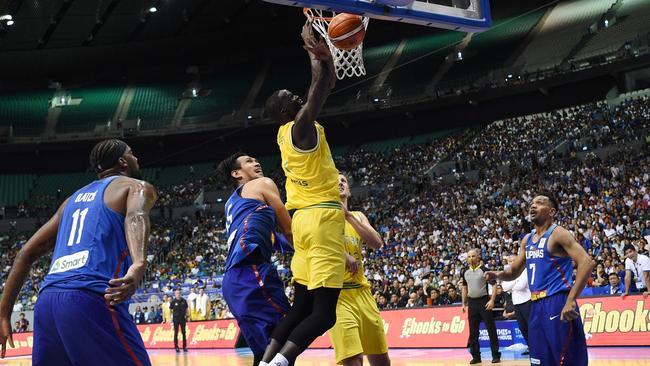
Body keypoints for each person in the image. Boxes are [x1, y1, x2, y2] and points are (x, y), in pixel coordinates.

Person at [0, 139, 155, 365]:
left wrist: (4, 313)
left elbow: (26, 253)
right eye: (132, 153)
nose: (136, 158)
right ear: (122, 161)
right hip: (90, 297)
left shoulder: (70, 201)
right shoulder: (135, 186)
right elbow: (136, 216)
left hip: (47, 304)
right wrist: (139, 264)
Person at [260, 19, 343, 366]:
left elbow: (320, 82)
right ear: (283, 112)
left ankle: (265, 362)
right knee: (324, 315)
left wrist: (315, 54)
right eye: (289, 99)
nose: (295, 98)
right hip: (322, 220)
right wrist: (319, 57)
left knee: (302, 307)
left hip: (303, 223)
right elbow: (323, 84)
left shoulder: (284, 136)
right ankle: (282, 363)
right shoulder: (300, 129)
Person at [485, 193, 593, 366]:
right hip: (535, 304)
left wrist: (571, 300)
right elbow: (513, 271)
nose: (533, 206)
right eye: (532, 203)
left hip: (557, 301)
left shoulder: (558, 233)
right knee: (540, 360)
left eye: (540, 203)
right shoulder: (527, 239)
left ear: (551, 211)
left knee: (567, 359)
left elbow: (586, 262)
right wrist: (498, 274)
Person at [218, 153, 292, 366]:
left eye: (256, 159)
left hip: (234, 280)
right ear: (236, 173)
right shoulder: (262, 184)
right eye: (249, 161)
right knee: (288, 329)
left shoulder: (231, 203)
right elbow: (289, 229)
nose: (257, 162)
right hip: (251, 270)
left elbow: (271, 236)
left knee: (265, 350)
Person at [328, 174, 390, 366]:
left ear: (349, 189)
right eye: (334, 180)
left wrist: (348, 216)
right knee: (354, 360)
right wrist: (343, 255)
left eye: (343, 181)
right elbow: (316, 245)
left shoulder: (358, 215)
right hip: (338, 295)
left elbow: (377, 243)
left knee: (381, 360)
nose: (339, 182)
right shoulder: (323, 215)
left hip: (363, 292)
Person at [461, 249, 500, 364]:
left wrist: (492, 300)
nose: (471, 258)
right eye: (469, 256)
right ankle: (476, 356)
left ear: (478, 257)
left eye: (473, 256)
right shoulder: (464, 272)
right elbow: (464, 288)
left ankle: (495, 355)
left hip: (484, 301)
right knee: (473, 332)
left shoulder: (485, 270)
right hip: (472, 303)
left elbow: (494, 285)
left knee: (491, 329)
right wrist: (464, 303)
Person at [500, 254, 531, 354]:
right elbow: (504, 287)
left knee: (530, 327)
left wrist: (511, 284)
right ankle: (530, 347)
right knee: (522, 328)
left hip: (527, 301)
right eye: (509, 261)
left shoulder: (525, 270)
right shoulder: (508, 273)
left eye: (514, 261)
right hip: (516, 303)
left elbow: (521, 286)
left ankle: (536, 347)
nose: (511, 263)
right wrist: (515, 282)